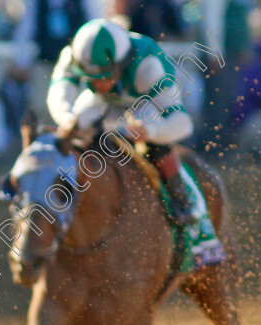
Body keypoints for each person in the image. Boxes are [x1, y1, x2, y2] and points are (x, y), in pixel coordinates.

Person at [47, 18, 199, 225]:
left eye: (104, 76)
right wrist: (66, 118)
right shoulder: (72, 56)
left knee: (154, 144)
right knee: (75, 133)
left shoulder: (148, 67)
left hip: (144, 103)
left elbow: (183, 123)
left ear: (122, 64)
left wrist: (152, 131)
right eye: (91, 78)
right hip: (105, 102)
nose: (97, 83)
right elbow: (58, 92)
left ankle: (180, 197)